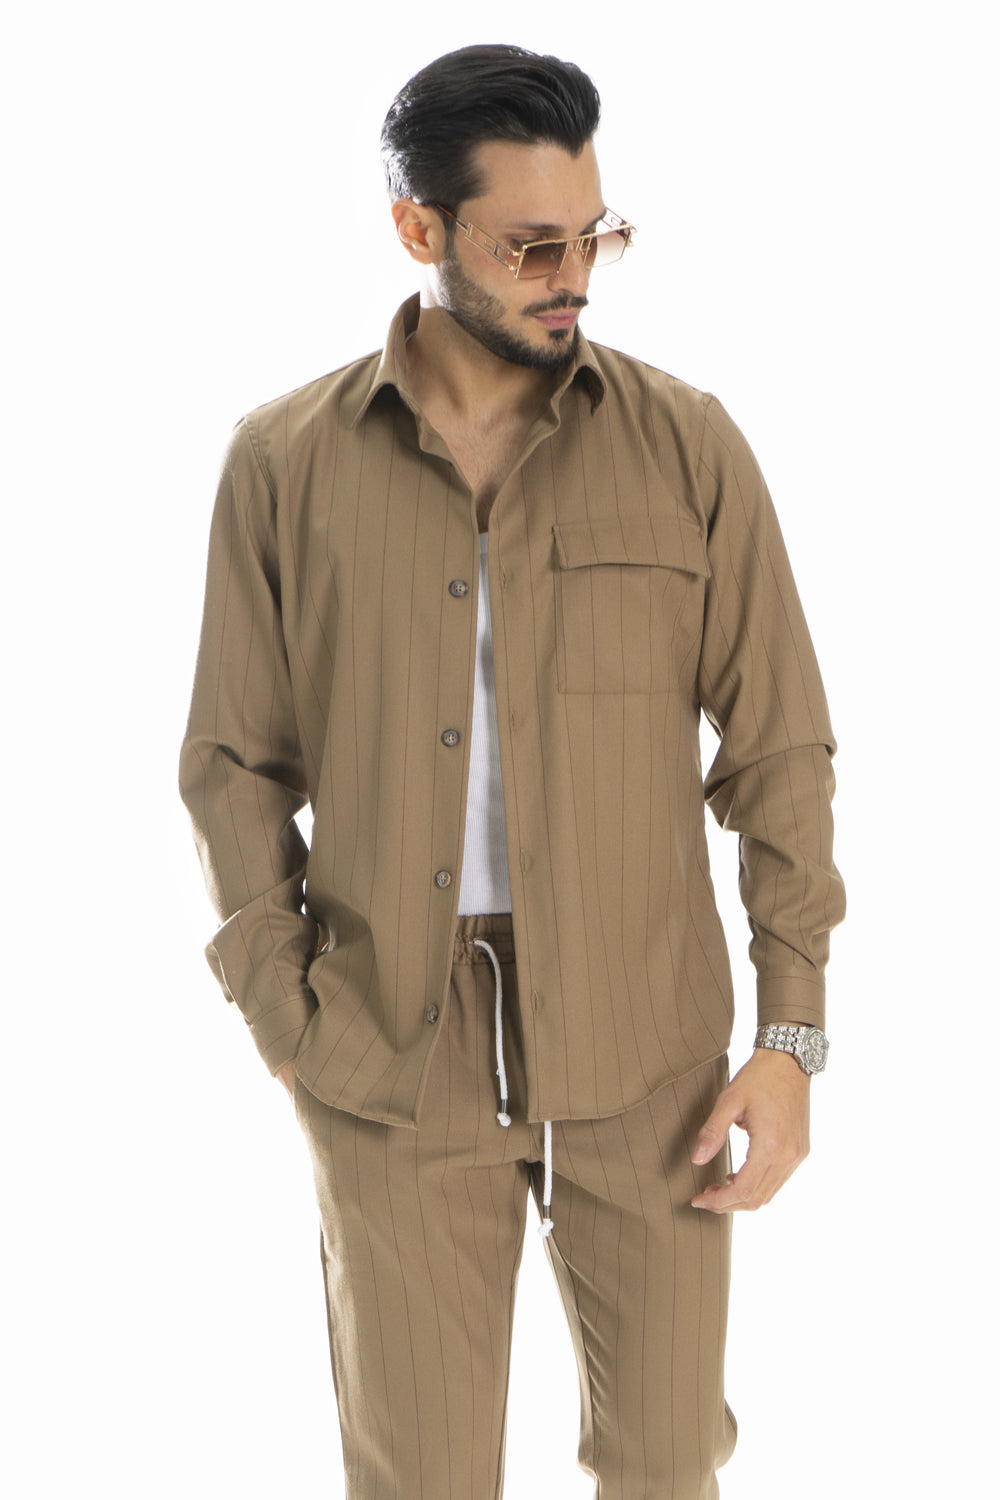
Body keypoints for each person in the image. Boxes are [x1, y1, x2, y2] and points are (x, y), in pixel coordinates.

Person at [180, 43, 845, 1500]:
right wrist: (283, 1013)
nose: (575, 277)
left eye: (595, 235)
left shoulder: (687, 446)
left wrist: (790, 1037)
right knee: (418, 1476)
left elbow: (780, 746)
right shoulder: (284, 463)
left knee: (666, 1465)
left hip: (650, 1054)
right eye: (531, 245)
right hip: (386, 1051)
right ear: (416, 228)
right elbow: (232, 762)